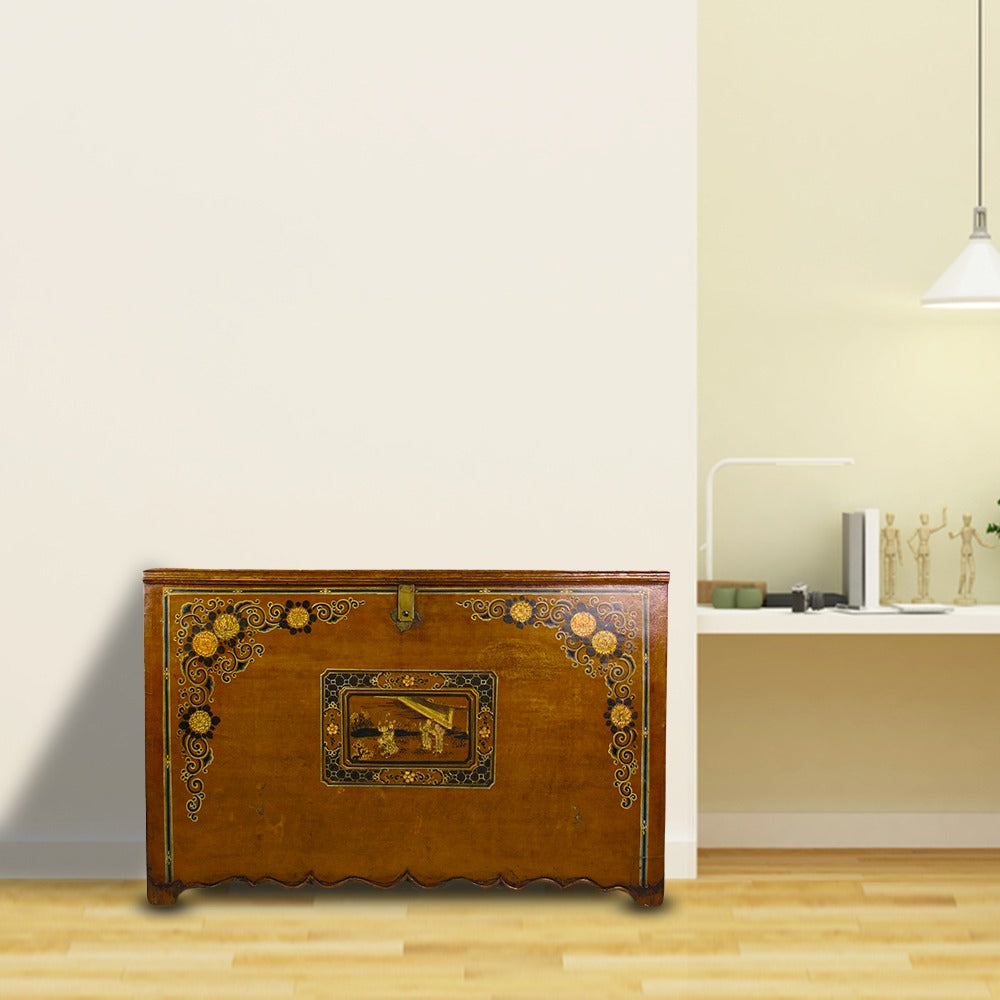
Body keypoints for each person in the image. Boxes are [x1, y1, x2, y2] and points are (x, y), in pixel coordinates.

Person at [949, 513, 996, 605]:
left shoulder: (972, 530)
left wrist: (988, 546)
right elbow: (954, 535)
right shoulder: (962, 529)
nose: (967, 520)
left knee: (972, 572)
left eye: (969, 519)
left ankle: (969, 591)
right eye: (966, 519)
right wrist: (951, 534)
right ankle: (960, 590)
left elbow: (980, 540)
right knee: (963, 574)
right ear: (963, 519)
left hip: (970, 551)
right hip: (963, 551)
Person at [907, 508, 947, 603]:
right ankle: (920, 593)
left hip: (926, 550)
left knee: (926, 574)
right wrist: (915, 553)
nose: (924, 519)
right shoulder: (919, 529)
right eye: (923, 518)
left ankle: (926, 593)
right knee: (920, 574)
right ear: (921, 519)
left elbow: (943, 525)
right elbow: (908, 540)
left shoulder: (928, 529)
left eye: (926, 518)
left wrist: (944, 513)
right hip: (920, 550)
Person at [880, 513, 905, 603]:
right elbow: (881, 542)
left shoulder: (896, 530)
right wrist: (879, 554)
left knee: (893, 574)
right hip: (887, 550)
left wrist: (901, 557)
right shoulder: (883, 530)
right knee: (886, 574)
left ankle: (892, 593)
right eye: (888, 518)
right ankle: (887, 593)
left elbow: (899, 543)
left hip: (893, 550)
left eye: (891, 518)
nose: (889, 520)